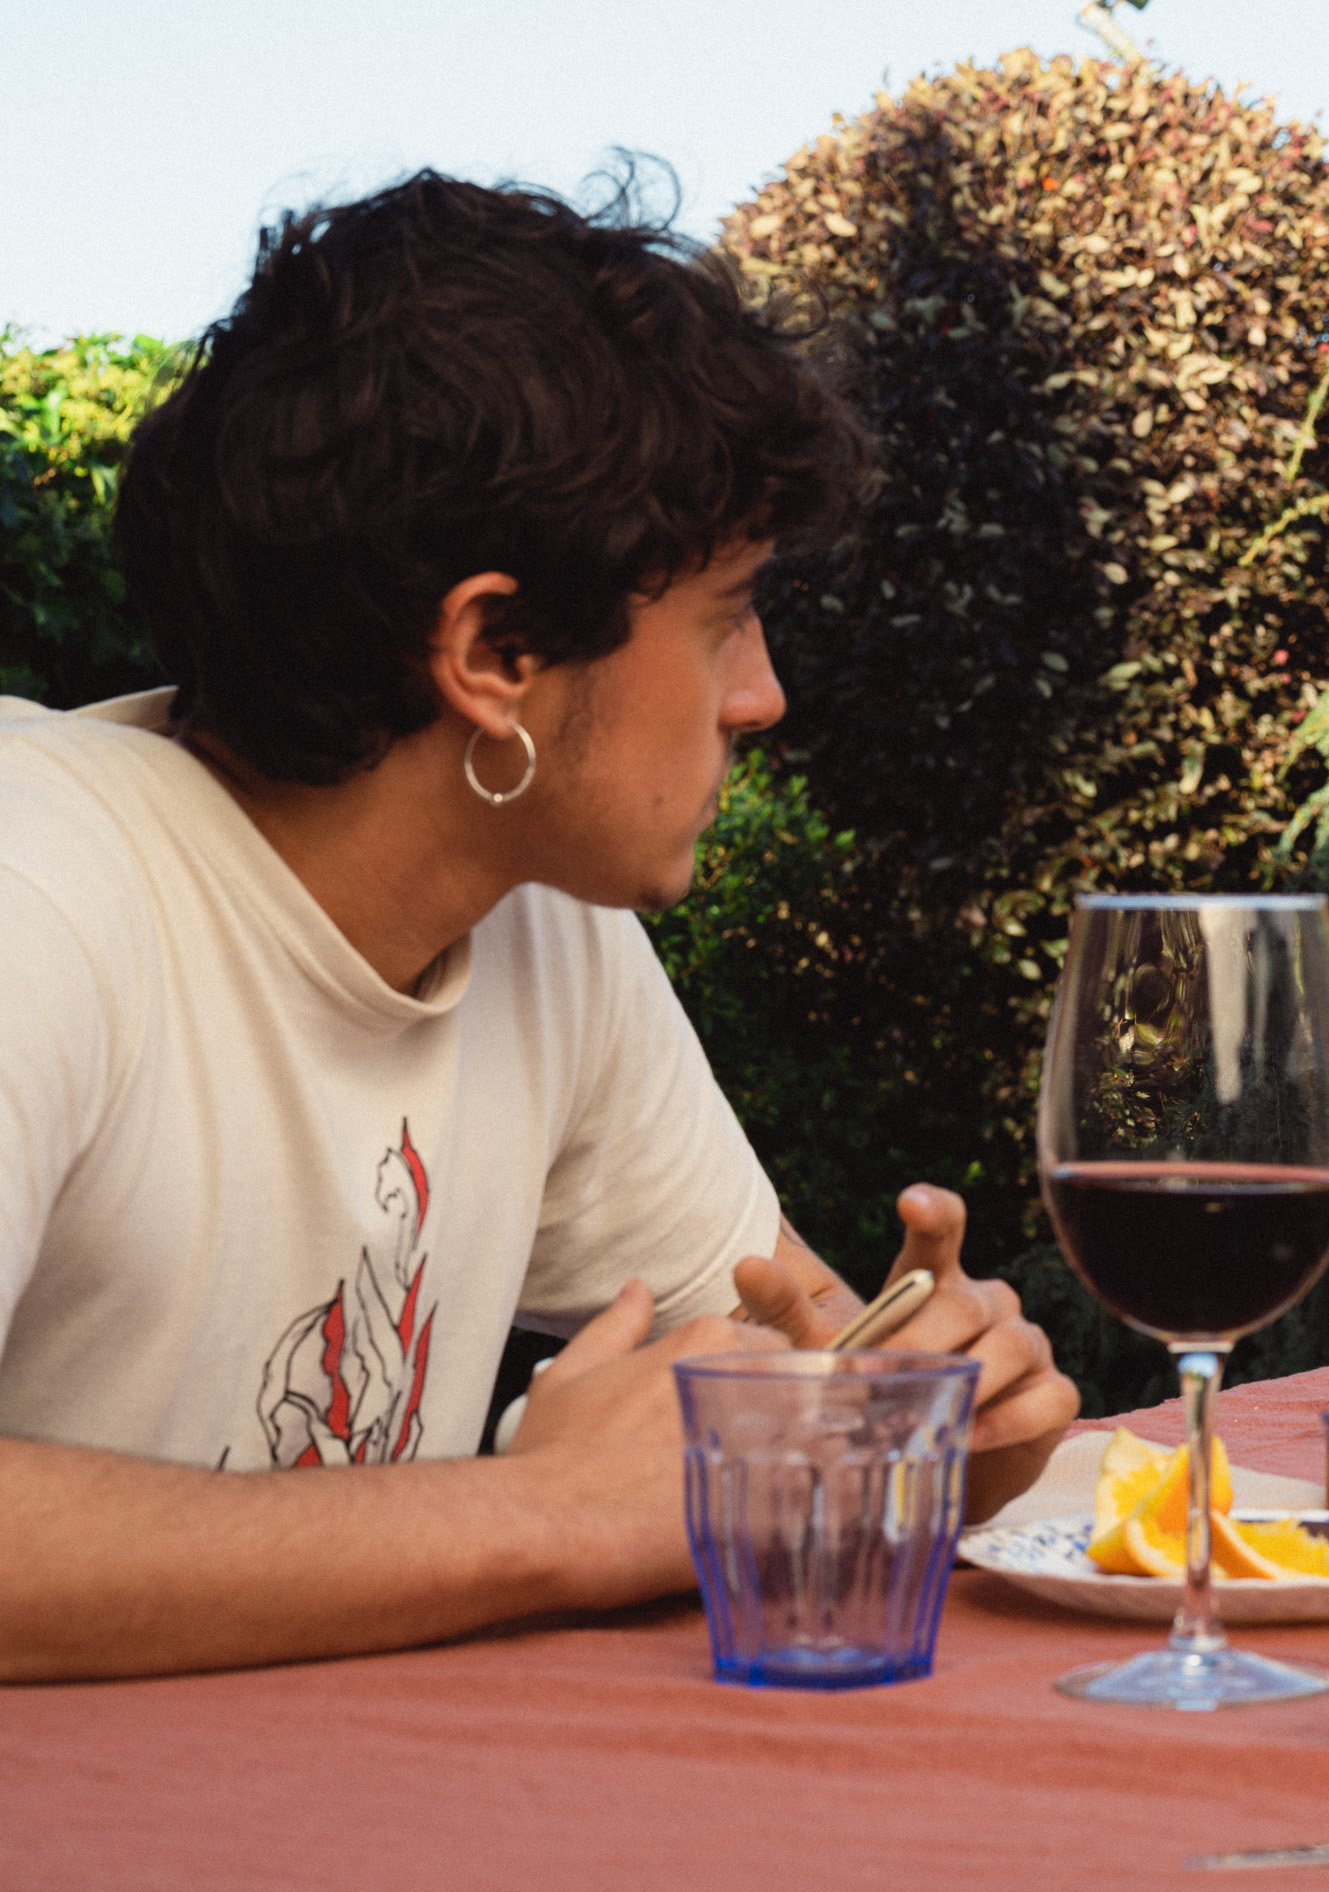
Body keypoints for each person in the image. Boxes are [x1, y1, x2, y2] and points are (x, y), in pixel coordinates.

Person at [0, 173, 1079, 1682]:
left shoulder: (539, 931)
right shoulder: (39, 883)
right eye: (726, 615)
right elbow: (617, 1505)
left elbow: (802, 1370)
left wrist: (927, 1413)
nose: (762, 694)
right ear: (495, 652)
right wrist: (550, 1516)